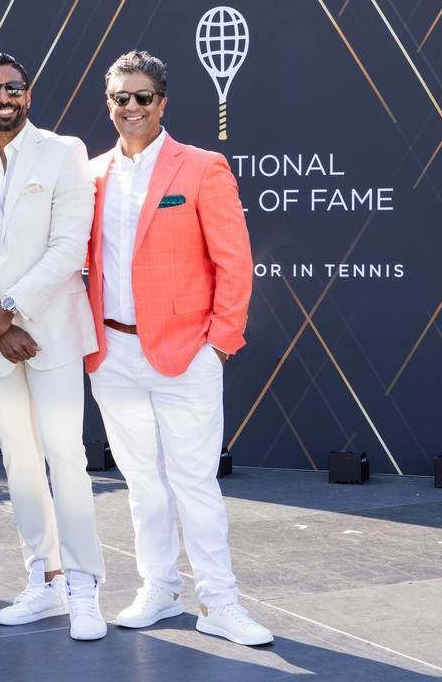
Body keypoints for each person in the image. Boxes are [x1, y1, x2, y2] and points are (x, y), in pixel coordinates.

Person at [85, 51, 273, 646]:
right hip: (112, 354)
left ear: (163, 102)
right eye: (121, 98)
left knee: (195, 482)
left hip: (186, 353)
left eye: (143, 97)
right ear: (109, 104)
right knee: (142, 481)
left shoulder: (201, 167)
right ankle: (159, 589)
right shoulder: (90, 175)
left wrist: (219, 343)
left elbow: (234, 262)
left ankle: (219, 602)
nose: (131, 107)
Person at [0, 53, 107, 640]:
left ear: (29, 95)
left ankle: (85, 585)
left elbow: (69, 246)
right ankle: (45, 577)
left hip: (52, 331)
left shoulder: (65, 151)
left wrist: (10, 310)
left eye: (14, 87)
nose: (4, 97)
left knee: (65, 454)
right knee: (18, 462)